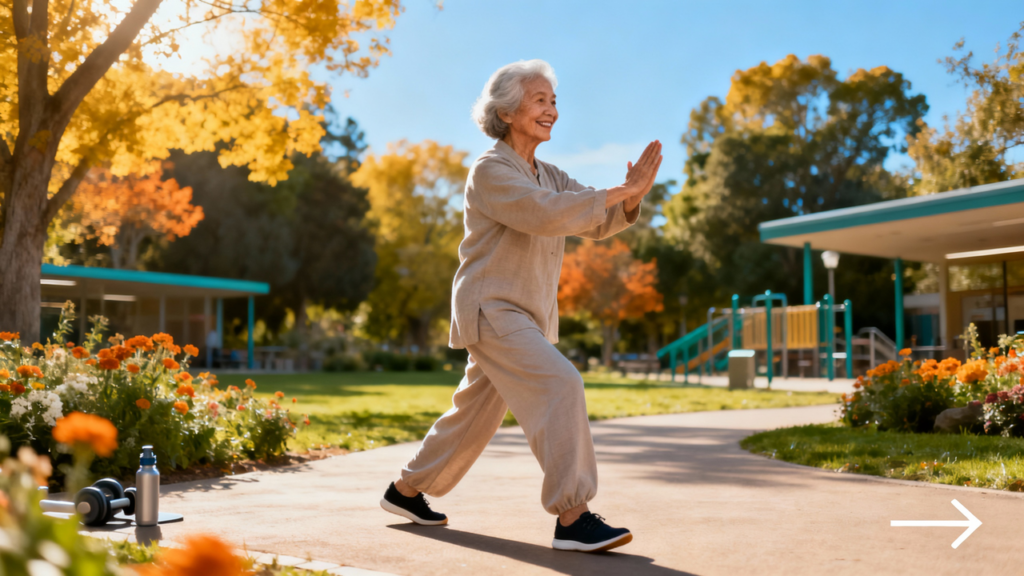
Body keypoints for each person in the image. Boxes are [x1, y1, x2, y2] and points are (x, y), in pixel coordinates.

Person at [380, 59, 662, 553]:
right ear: (507, 112)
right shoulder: (490, 170)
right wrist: (620, 191)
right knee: (561, 384)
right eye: (540, 100)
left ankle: (404, 491)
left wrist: (631, 198)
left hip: (525, 315)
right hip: (491, 309)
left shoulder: (550, 173)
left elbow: (593, 219)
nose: (551, 109)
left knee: (471, 416)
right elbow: (541, 213)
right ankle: (572, 518)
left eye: (554, 101)